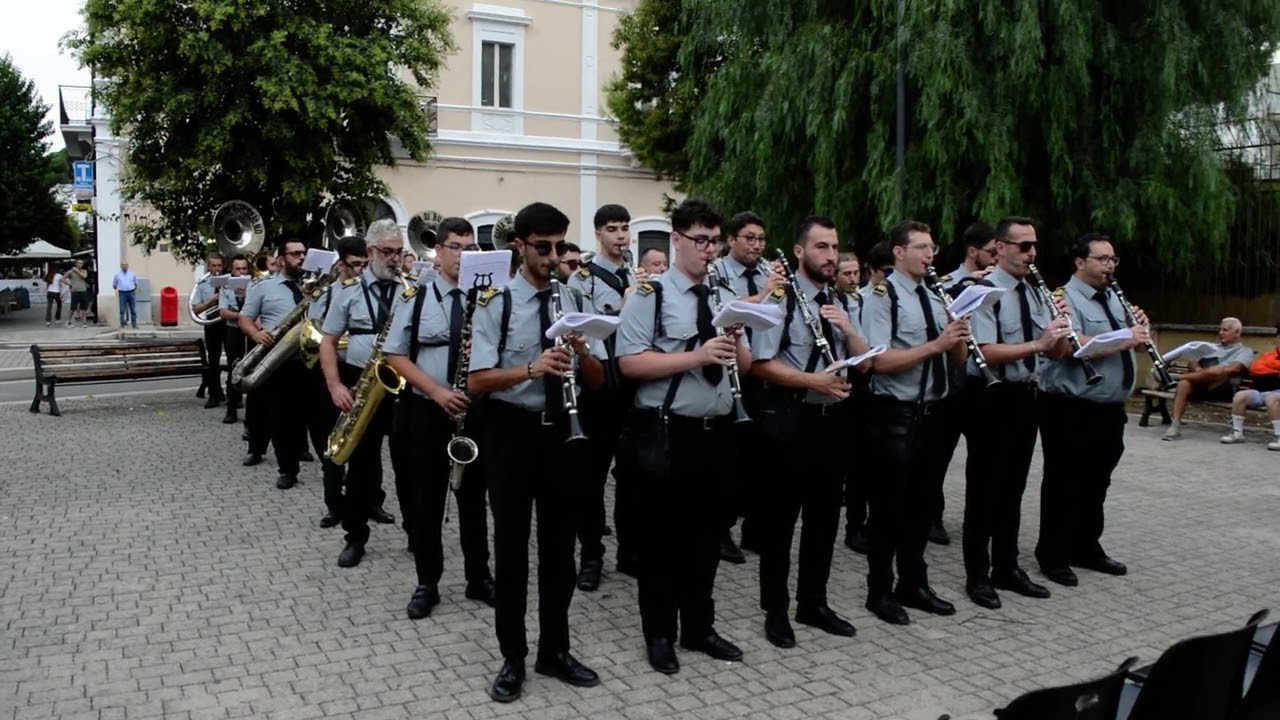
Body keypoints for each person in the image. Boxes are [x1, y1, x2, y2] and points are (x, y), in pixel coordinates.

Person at [468, 202, 606, 703]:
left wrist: (584, 351)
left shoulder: (575, 298)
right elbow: (478, 380)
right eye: (543, 248)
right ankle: (512, 657)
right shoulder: (496, 303)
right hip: (511, 432)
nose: (553, 258)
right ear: (520, 246)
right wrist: (532, 368)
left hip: (561, 435)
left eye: (559, 248)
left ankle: (555, 649)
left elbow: (597, 382)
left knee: (559, 552)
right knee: (510, 550)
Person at [616, 197, 750, 675]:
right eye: (700, 241)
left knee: (706, 537)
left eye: (715, 241)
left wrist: (737, 339)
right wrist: (696, 356)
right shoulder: (649, 297)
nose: (709, 251)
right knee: (660, 542)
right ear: (676, 240)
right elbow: (630, 363)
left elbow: (745, 366)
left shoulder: (719, 296)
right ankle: (659, 634)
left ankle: (699, 626)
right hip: (669, 432)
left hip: (716, 432)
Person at [749, 215, 867, 648]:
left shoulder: (843, 300)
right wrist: (812, 381)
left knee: (825, 518)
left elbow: (866, 361)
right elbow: (762, 363)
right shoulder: (781, 297)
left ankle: (812, 602)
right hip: (793, 419)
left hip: (834, 421)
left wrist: (850, 330)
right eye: (821, 247)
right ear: (800, 251)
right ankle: (775, 609)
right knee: (780, 521)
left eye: (835, 248)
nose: (831, 256)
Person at [384, 216, 497, 618]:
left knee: (473, 499)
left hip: (474, 412)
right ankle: (426, 582)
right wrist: (435, 391)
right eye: (456, 248)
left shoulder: (487, 300)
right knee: (426, 500)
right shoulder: (415, 298)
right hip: (426, 410)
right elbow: (394, 355)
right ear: (440, 250)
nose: (463, 256)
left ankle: (478, 577)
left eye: (471, 249)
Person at [859, 219, 970, 626]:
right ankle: (879, 590)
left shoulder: (938, 295)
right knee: (889, 508)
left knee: (922, 505)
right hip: (896, 414)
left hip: (934, 412)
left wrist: (957, 339)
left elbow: (955, 361)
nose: (929, 255)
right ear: (899, 253)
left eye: (932, 247)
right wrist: (936, 344)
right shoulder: (882, 296)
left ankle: (914, 582)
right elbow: (878, 362)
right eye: (921, 247)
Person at [959, 216, 1068, 609]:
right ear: (1000, 248)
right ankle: (978, 574)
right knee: (984, 488)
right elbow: (984, 349)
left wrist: (1059, 335)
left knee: (1013, 487)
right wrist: (1039, 345)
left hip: (1026, 394)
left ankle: (1008, 567)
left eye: (1034, 246)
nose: (1032, 254)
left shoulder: (1038, 293)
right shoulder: (983, 289)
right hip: (991, 396)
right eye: (1023, 246)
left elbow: (1054, 352)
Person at [1035, 233, 1146, 587]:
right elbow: (1069, 345)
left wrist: (1141, 335)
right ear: (1080, 262)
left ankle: (1086, 546)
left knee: (1098, 482)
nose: (1109, 266)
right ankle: (1053, 554)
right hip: (1071, 406)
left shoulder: (1114, 298)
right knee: (1064, 483)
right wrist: (1126, 338)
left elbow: (1126, 341)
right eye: (1102, 259)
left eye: (1113, 260)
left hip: (1109, 408)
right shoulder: (1061, 298)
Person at [320, 220, 409, 568]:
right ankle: (355, 536)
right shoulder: (348, 292)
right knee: (360, 467)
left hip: (404, 383)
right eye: (388, 252)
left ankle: (417, 533)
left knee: (409, 465)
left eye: (399, 252)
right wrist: (335, 385)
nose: (394, 259)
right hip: (362, 381)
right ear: (370, 252)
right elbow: (327, 342)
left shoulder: (410, 290)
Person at [566, 204, 637, 591]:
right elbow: (589, 334)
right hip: (597, 382)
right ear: (598, 234)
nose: (621, 235)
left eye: (625, 228)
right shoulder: (581, 280)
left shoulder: (635, 273)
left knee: (631, 472)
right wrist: (627, 303)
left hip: (630, 379)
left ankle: (630, 550)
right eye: (613, 229)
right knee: (590, 476)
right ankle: (591, 554)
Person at [711, 211, 785, 562]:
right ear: (732, 240)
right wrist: (762, 295)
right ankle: (721, 529)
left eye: (761, 239)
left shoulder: (768, 270)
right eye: (750, 238)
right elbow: (722, 311)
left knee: (764, 457)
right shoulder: (716, 271)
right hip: (729, 369)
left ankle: (755, 529)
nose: (757, 245)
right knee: (728, 459)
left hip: (763, 368)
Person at [307, 236, 368, 530]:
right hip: (333, 372)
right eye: (356, 265)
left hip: (361, 372)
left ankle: (372, 501)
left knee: (366, 439)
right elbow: (317, 334)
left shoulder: (369, 289)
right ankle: (334, 504)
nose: (361, 270)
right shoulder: (327, 294)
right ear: (342, 264)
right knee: (333, 442)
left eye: (365, 263)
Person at [239, 238, 310, 490]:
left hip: (311, 359)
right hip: (279, 361)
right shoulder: (263, 287)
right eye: (294, 254)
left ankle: (333, 469)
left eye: (303, 253)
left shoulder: (314, 286)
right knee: (282, 420)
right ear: (281, 259)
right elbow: (244, 318)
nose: (301, 258)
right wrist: (256, 334)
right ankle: (287, 469)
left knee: (320, 419)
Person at [1162, 317, 1255, 440]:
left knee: (1217, 370)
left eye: (1225, 330)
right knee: (1184, 384)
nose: (1221, 333)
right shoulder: (1210, 347)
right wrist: (1201, 372)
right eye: (1220, 330)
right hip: (1201, 385)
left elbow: (1235, 369)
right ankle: (1175, 427)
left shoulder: (1245, 351)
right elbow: (1192, 361)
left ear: (1237, 332)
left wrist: (1212, 373)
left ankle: (1175, 377)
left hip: (1223, 388)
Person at [1222, 329, 1280, 447]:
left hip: (1277, 394)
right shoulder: (1267, 355)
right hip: (1260, 392)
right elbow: (1255, 368)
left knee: (1272, 398)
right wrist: (1276, 369)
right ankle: (1237, 433)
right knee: (1240, 395)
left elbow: (1262, 368)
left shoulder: (1267, 359)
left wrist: (1269, 366)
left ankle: (1279, 436)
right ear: (1276, 339)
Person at [218, 256, 252, 426]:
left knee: (252, 369)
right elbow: (223, 312)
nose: (241, 272)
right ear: (232, 270)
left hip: (251, 331)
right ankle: (231, 409)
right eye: (238, 269)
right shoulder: (226, 287)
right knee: (234, 367)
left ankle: (252, 413)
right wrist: (242, 316)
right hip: (233, 330)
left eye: (244, 269)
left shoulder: (254, 285)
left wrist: (247, 298)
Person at [191, 254, 227, 409]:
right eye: (214, 266)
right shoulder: (202, 284)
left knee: (234, 360)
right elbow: (196, 309)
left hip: (228, 323)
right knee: (213, 360)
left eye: (219, 266)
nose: (217, 269)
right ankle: (214, 394)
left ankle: (233, 395)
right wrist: (211, 301)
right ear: (209, 267)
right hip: (211, 323)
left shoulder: (229, 281)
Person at [113, 261, 139, 328]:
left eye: (126, 265)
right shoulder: (117, 275)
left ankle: (134, 324)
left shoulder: (132, 274)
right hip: (122, 293)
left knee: (133, 310)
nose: (124, 266)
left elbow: (136, 284)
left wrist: (132, 289)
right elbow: (114, 285)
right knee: (122, 310)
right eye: (123, 265)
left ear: (128, 266)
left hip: (131, 293)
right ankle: (122, 324)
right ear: (121, 266)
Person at [65, 259, 90, 327]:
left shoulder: (84, 271)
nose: (80, 264)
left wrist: (77, 271)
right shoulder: (71, 272)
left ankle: (84, 322)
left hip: (83, 290)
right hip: (75, 291)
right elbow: (62, 278)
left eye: (81, 263)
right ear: (76, 264)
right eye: (79, 263)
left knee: (84, 308)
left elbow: (84, 276)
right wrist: (69, 284)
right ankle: (69, 321)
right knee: (73, 308)